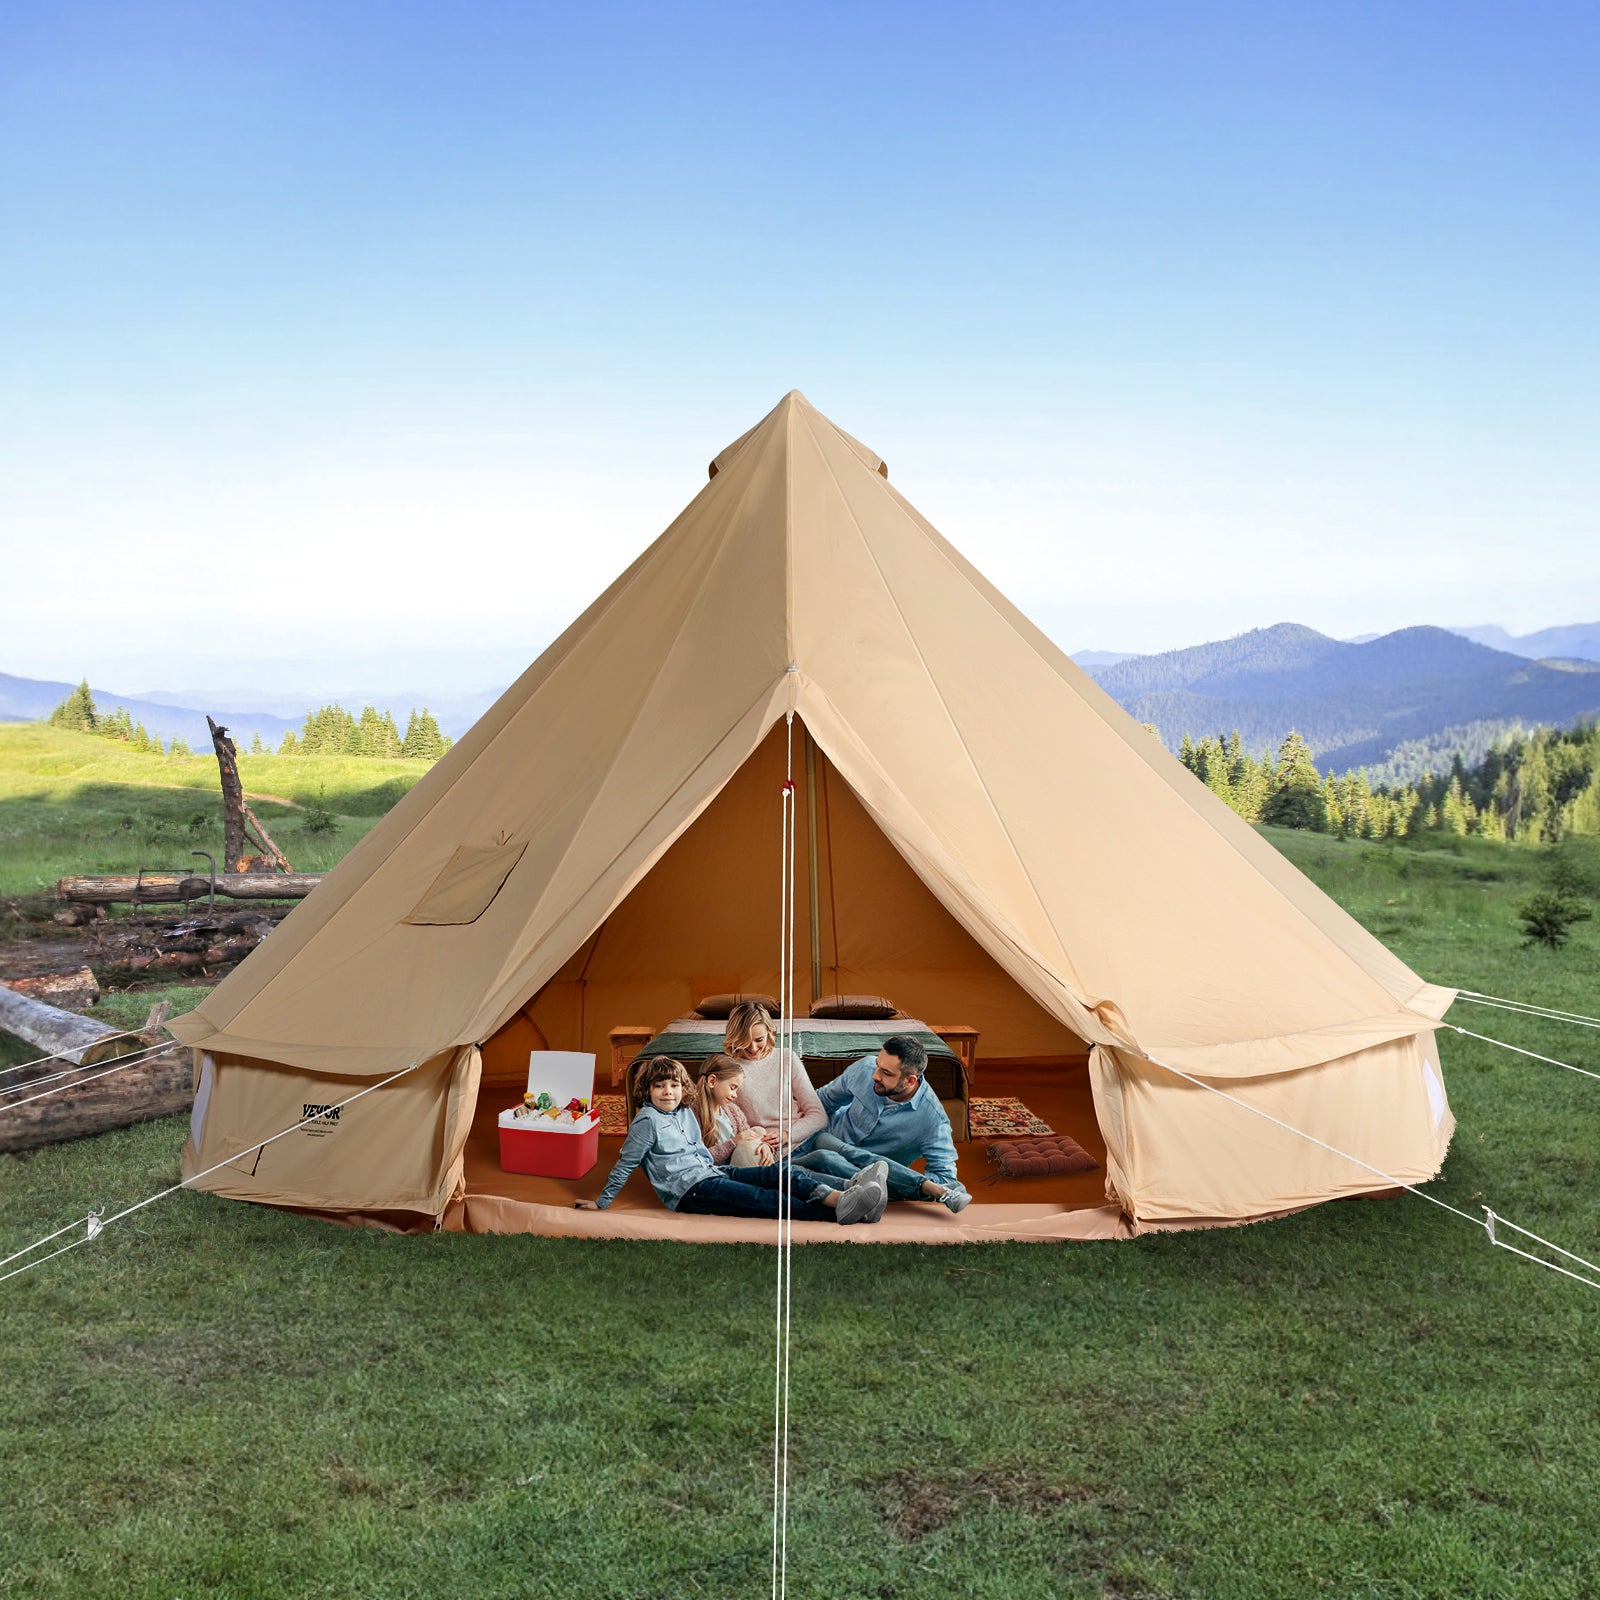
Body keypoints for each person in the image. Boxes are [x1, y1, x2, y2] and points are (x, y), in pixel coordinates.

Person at [574, 1056, 888, 1225]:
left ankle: (843, 1199)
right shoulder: (647, 1122)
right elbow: (625, 1163)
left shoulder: (683, 1112)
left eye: (673, 1085)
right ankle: (844, 1212)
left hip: (711, 1173)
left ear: (683, 1088)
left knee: (777, 1174)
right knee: (764, 1201)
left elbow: (700, 1152)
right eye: (659, 1086)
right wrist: (601, 1203)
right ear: (648, 1090)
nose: (667, 1091)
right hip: (689, 1191)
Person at [791, 1035, 971, 1214]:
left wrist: (896, 1184)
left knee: (823, 1164)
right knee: (824, 1154)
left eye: (886, 1073)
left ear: (910, 1081)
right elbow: (823, 1100)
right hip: (817, 1143)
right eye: (878, 1065)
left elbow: (945, 1176)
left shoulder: (933, 1120)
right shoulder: (864, 1068)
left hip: (860, 1174)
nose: (874, 1075)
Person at [722, 1000, 826, 1153]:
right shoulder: (729, 1071)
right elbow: (732, 1126)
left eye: (759, 1040)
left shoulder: (786, 1058)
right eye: (745, 1041)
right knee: (825, 1159)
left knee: (848, 1152)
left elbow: (819, 1115)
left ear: (769, 1034)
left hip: (803, 1136)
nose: (753, 1048)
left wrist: (787, 1134)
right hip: (771, 1149)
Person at [691, 1054, 771, 1167]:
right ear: (712, 1081)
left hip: (742, 1164)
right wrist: (733, 1142)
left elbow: (748, 1136)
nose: (735, 1095)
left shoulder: (732, 1111)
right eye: (732, 1088)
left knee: (759, 1131)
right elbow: (697, 1158)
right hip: (722, 1171)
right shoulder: (692, 1114)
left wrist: (765, 1146)